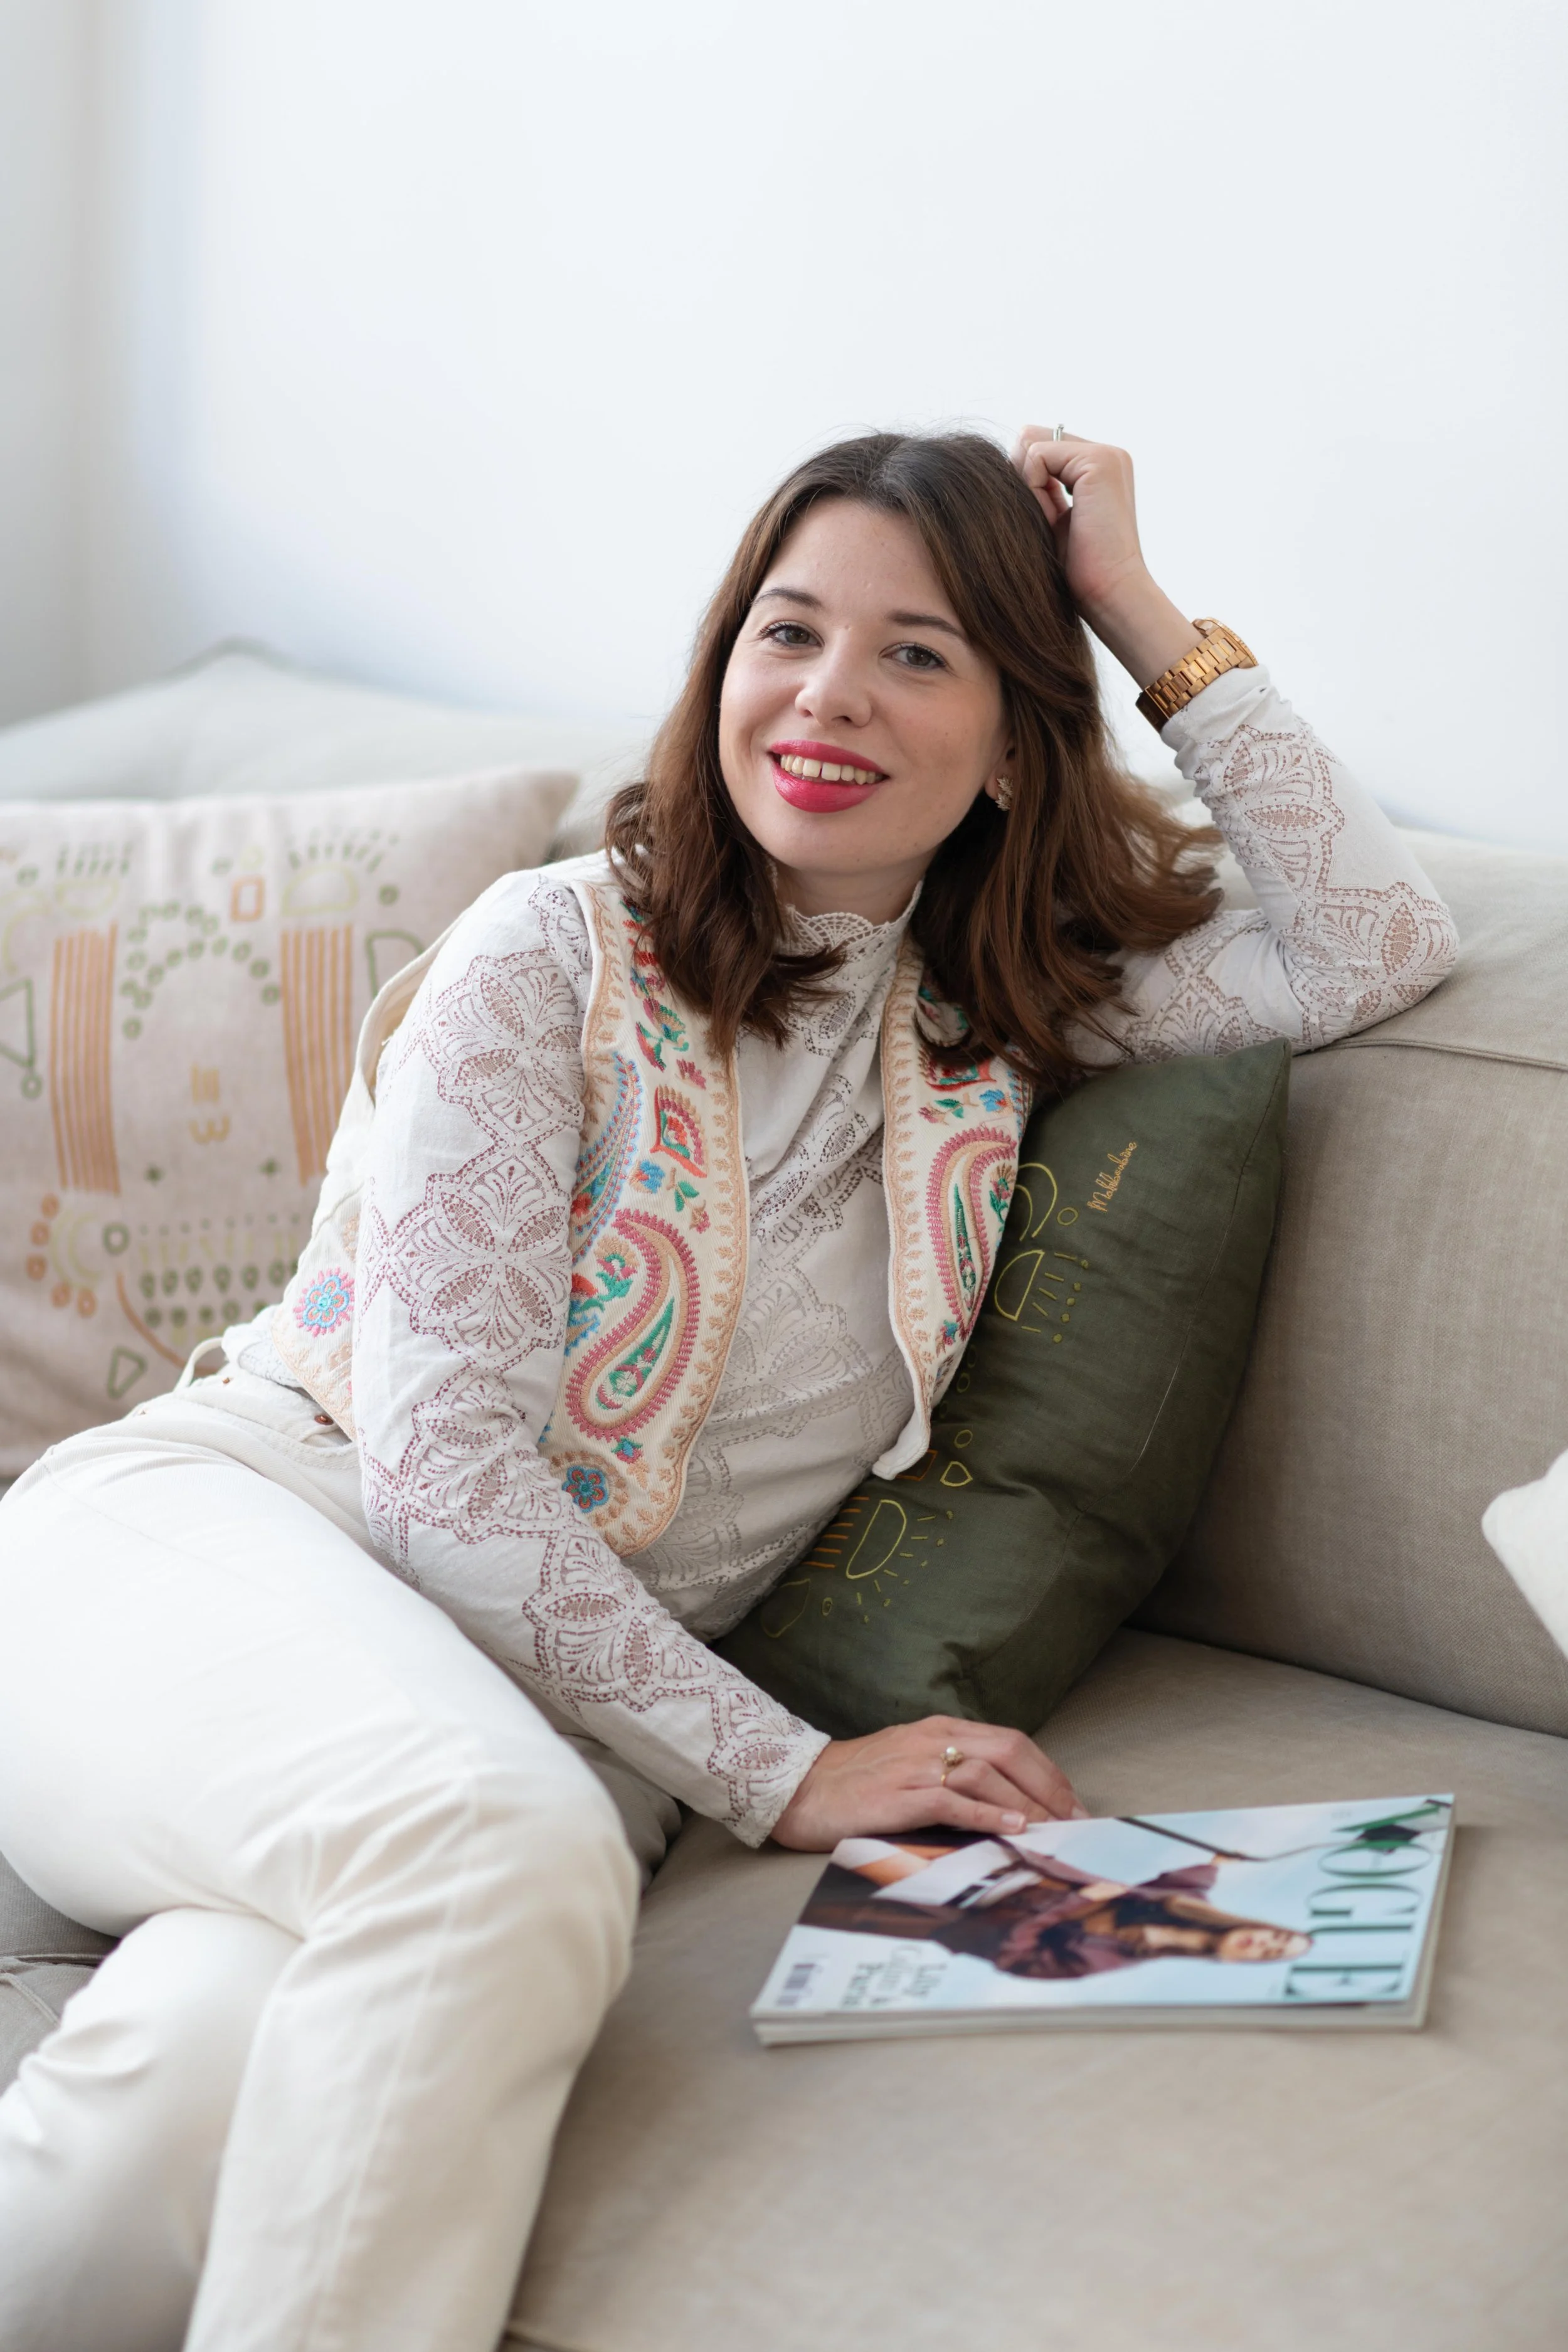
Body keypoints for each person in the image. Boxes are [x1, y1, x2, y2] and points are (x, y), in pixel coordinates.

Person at [0, 425, 1457, 2350]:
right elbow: (438, 1475)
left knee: (163, 2118)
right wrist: (784, 1765)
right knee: (493, 1841)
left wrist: (1127, 600)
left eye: (918, 652)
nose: (827, 693)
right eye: (786, 630)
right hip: (206, 1553)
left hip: (515, 1745)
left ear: (1015, 739)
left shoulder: (1001, 1027)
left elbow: (1374, 939)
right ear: (719, 667)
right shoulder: (546, 954)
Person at [807, 1836, 1312, 1979]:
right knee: (872, 1838)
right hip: (1018, 1864)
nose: (1265, 1944)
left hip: (969, 1902)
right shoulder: (1188, 1906)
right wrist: (1219, 1859)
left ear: (1245, 1962)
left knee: (858, 1851)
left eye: (1271, 1954)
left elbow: (1015, 1956)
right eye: (1276, 1936)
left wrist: (1071, 1905)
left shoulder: (1111, 1960)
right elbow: (1186, 1880)